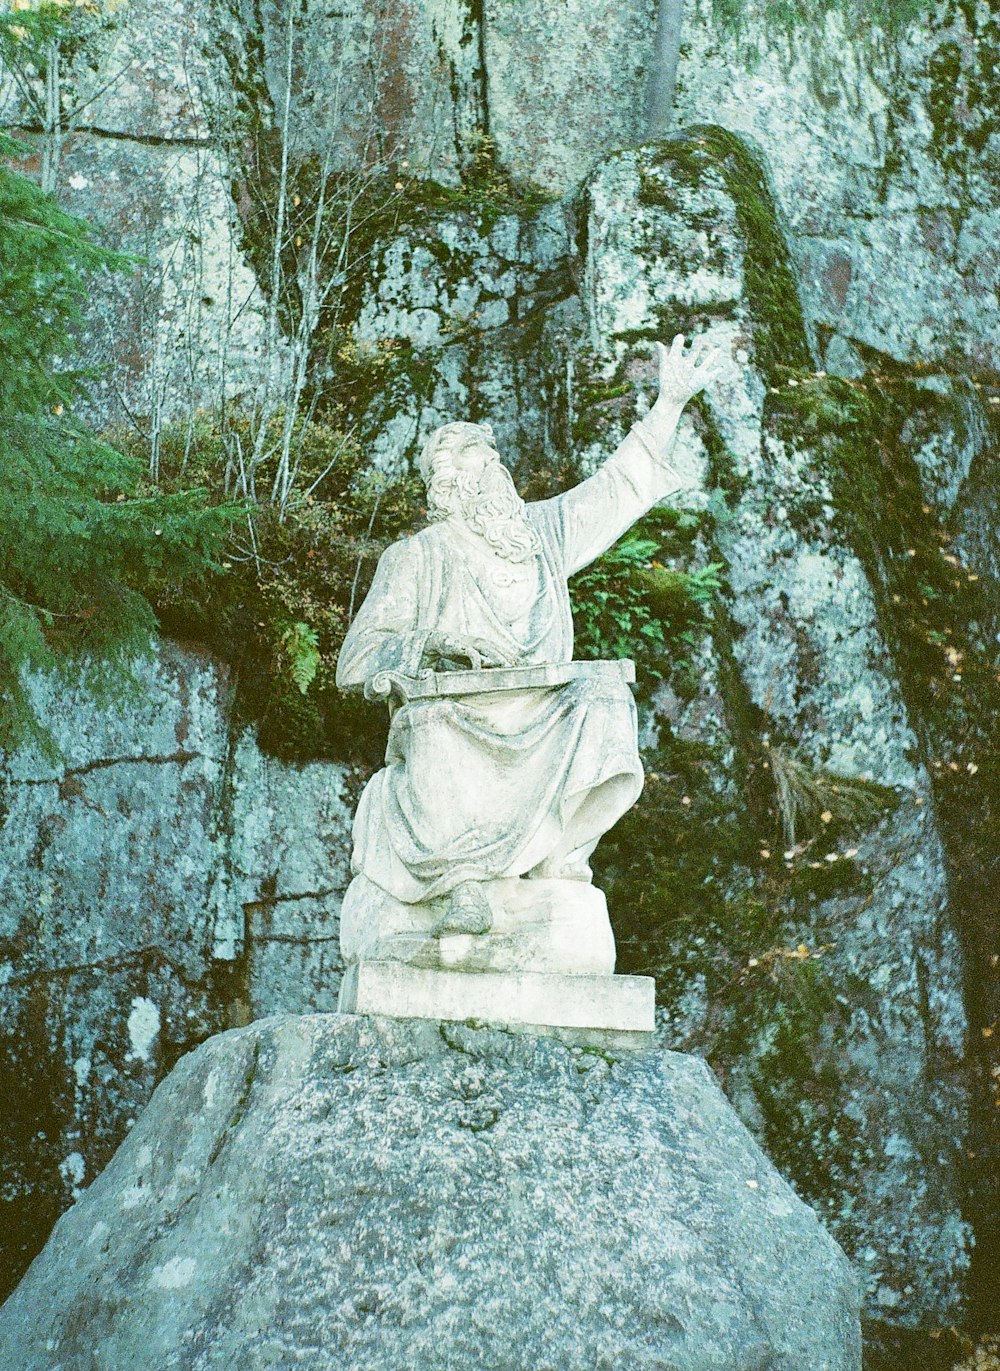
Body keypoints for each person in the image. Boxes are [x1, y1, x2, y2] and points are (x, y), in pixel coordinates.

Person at [336, 334, 724, 952]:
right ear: (446, 487)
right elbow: (356, 659)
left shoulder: (542, 532)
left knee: (603, 696)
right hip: (459, 712)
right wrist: (436, 642)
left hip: (541, 705)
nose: (493, 475)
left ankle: (558, 861)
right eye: (475, 467)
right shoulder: (416, 557)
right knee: (433, 722)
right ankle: (457, 878)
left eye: (493, 463)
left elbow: (618, 486)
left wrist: (669, 403)